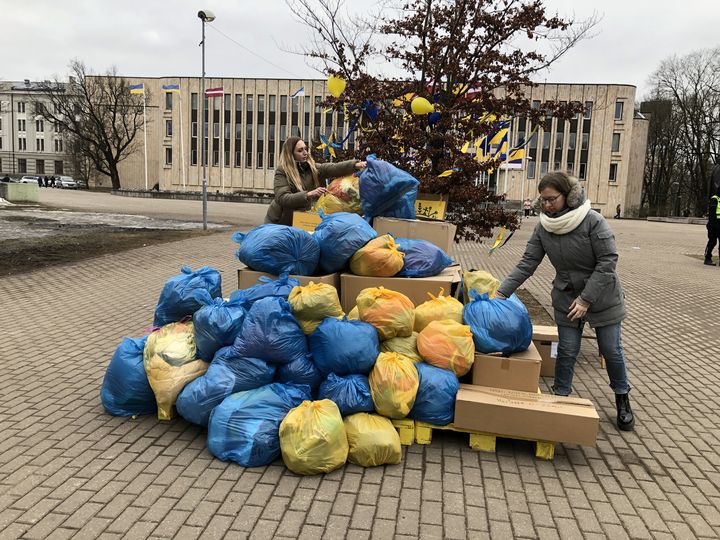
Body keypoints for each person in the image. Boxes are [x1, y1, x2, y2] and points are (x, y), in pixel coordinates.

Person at [495, 171, 635, 431]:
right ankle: (560, 399)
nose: (547, 205)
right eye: (543, 201)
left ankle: (622, 398)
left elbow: (608, 262)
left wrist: (586, 299)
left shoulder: (592, 221)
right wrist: (502, 292)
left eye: (552, 199)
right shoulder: (544, 227)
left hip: (602, 296)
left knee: (611, 350)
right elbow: (528, 262)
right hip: (567, 296)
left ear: (567, 196)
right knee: (567, 350)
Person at [265, 137, 366, 226]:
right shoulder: (282, 171)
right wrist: (308, 194)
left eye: (305, 149)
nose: (305, 153)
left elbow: (332, 168)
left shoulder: (312, 167)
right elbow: (282, 198)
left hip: (301, 220)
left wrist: (355, 165)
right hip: (279, 222)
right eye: (300, 151)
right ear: (290, 154)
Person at [704, 185, 720, 265]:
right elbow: (712, 214)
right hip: (713, 226)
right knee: (712, 242)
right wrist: (714, 225)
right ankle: (707, 258)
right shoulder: (715, 199)